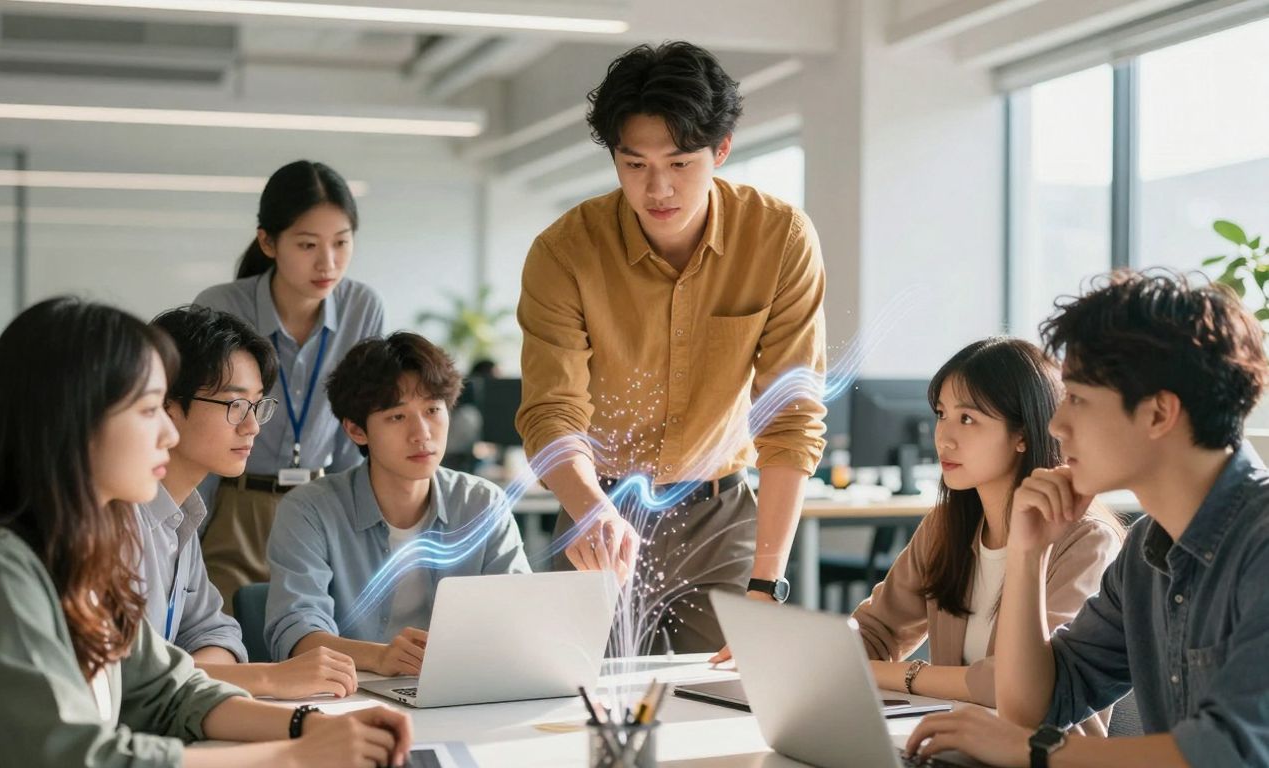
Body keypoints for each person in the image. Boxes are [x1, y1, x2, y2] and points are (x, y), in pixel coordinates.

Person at [0, 297, 412, 768]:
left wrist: (308, 726)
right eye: (149, 411)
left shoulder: (81, 549)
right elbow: (77, 757)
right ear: (74, 420)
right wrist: (292, 755)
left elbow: (167, 690)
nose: (167, 433)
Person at [515, 41, 826, 655]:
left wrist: (767, 579)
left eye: (681, 163)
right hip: (598, 507)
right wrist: (588, 508)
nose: (658, 188)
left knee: (727, 708)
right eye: (634, 165)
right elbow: (551, 412)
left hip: (721, 514)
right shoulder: (564, 252)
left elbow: (791, 421)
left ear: (722, 150)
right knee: (579, 709)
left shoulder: (778, 238)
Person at [906, 271, 1269, 768]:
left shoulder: (1261, 545)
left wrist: (1033, 750)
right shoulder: (1148, 549)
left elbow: (1232, 751)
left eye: (1077, 399)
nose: (1055, 425)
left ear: (1159, 414)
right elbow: (1032, 705)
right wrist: (1027, 552)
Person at [851, 338, 1122, 734]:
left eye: (967, 419)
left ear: (1023, 434)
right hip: (954, 744)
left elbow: (1011, 682)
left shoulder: (1087, 542)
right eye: (941, 414)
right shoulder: (945, 526)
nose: (943, 437)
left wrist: (901, 675)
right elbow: (876, 631)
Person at [266, 332, 530, 674]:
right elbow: (297, 632)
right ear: (356, 431)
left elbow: (520, 613)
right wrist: (378, 657)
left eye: (433, 410)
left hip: (462, 688)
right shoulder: (310, 510)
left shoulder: (482, 503)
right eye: (397, 417)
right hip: (352, 697)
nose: (422, 433)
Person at [141, 305, 360, 698]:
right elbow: (131, 679)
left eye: (257, 404)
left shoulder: (181, 514)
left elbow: (214, 630)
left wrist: (199, 677)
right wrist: (267, 678)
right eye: (235, 404)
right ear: (167, 403)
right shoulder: (117, 521)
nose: (253, 426)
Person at [194, 160, 384, 612]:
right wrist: (178, 531)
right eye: (307, 244)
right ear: (268, 241)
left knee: (315, 645)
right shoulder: (221, 307)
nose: (328, 263)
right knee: (222, 635)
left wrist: (353, 528)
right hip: (235, 504)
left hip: (320, 507)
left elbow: (354, 427)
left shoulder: (361, 307)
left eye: (341, 243)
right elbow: (198, 427)